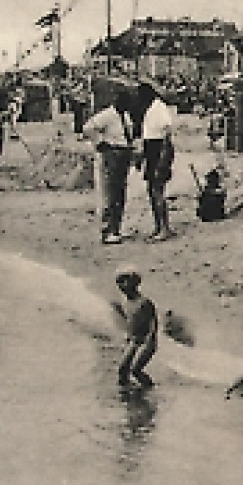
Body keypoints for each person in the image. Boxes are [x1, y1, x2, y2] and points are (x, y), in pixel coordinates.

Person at [83, 90, 137, 245]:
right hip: (112, 153)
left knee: (120, 193)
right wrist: (100, 143)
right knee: (109, 192)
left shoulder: (125, 116)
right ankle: (107, 230)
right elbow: (88, 128)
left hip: (123, 153)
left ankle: (116, 228)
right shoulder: (107, 115)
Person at [135, 82, 177, 241]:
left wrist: (163, 159)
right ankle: (158, 226)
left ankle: (164, 228)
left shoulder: (159, 108)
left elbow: (166, 134)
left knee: (157, 190)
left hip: (159, 150)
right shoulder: (150, 109)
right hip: (152, 150)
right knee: (152, 190)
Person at [115, 267, 158, 388]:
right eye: (119, 283)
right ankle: (126, 395)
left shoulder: (144, 302)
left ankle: (150, 389)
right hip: (133, 341)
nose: (121, 286)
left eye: (124, 282)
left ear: (135, 283)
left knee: (136, 370)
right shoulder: (126, 302)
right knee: (122, 370)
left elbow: (153, 323)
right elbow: (130, 321)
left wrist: (150, 339)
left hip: (146, 341)